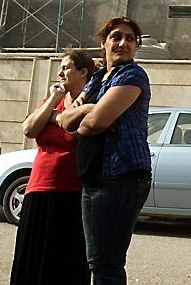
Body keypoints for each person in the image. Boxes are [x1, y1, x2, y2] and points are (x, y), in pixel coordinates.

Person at [59, 16, 151, 285]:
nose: (123, 43)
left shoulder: (132, 75)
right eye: (116, 37)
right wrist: (89, 109)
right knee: (97, 262)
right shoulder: (98, 78)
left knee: (106, 265)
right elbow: (65, 120)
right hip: (95, 176)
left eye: (130, 39)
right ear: (103, 43)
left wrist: (88, 115)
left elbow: (93, 124)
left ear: (136, 47)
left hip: (120, 177)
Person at [9, 48, 97, 285]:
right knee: (33, 255)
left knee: (65, 259)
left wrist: (56, 118)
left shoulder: (93, 100)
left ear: (83, 72)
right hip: (39, 187)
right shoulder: (55, 101)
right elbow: (29, 128)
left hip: (71, 190)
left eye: (66, 67)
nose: (60, 73)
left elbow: (81, 132)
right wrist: (53, 102)